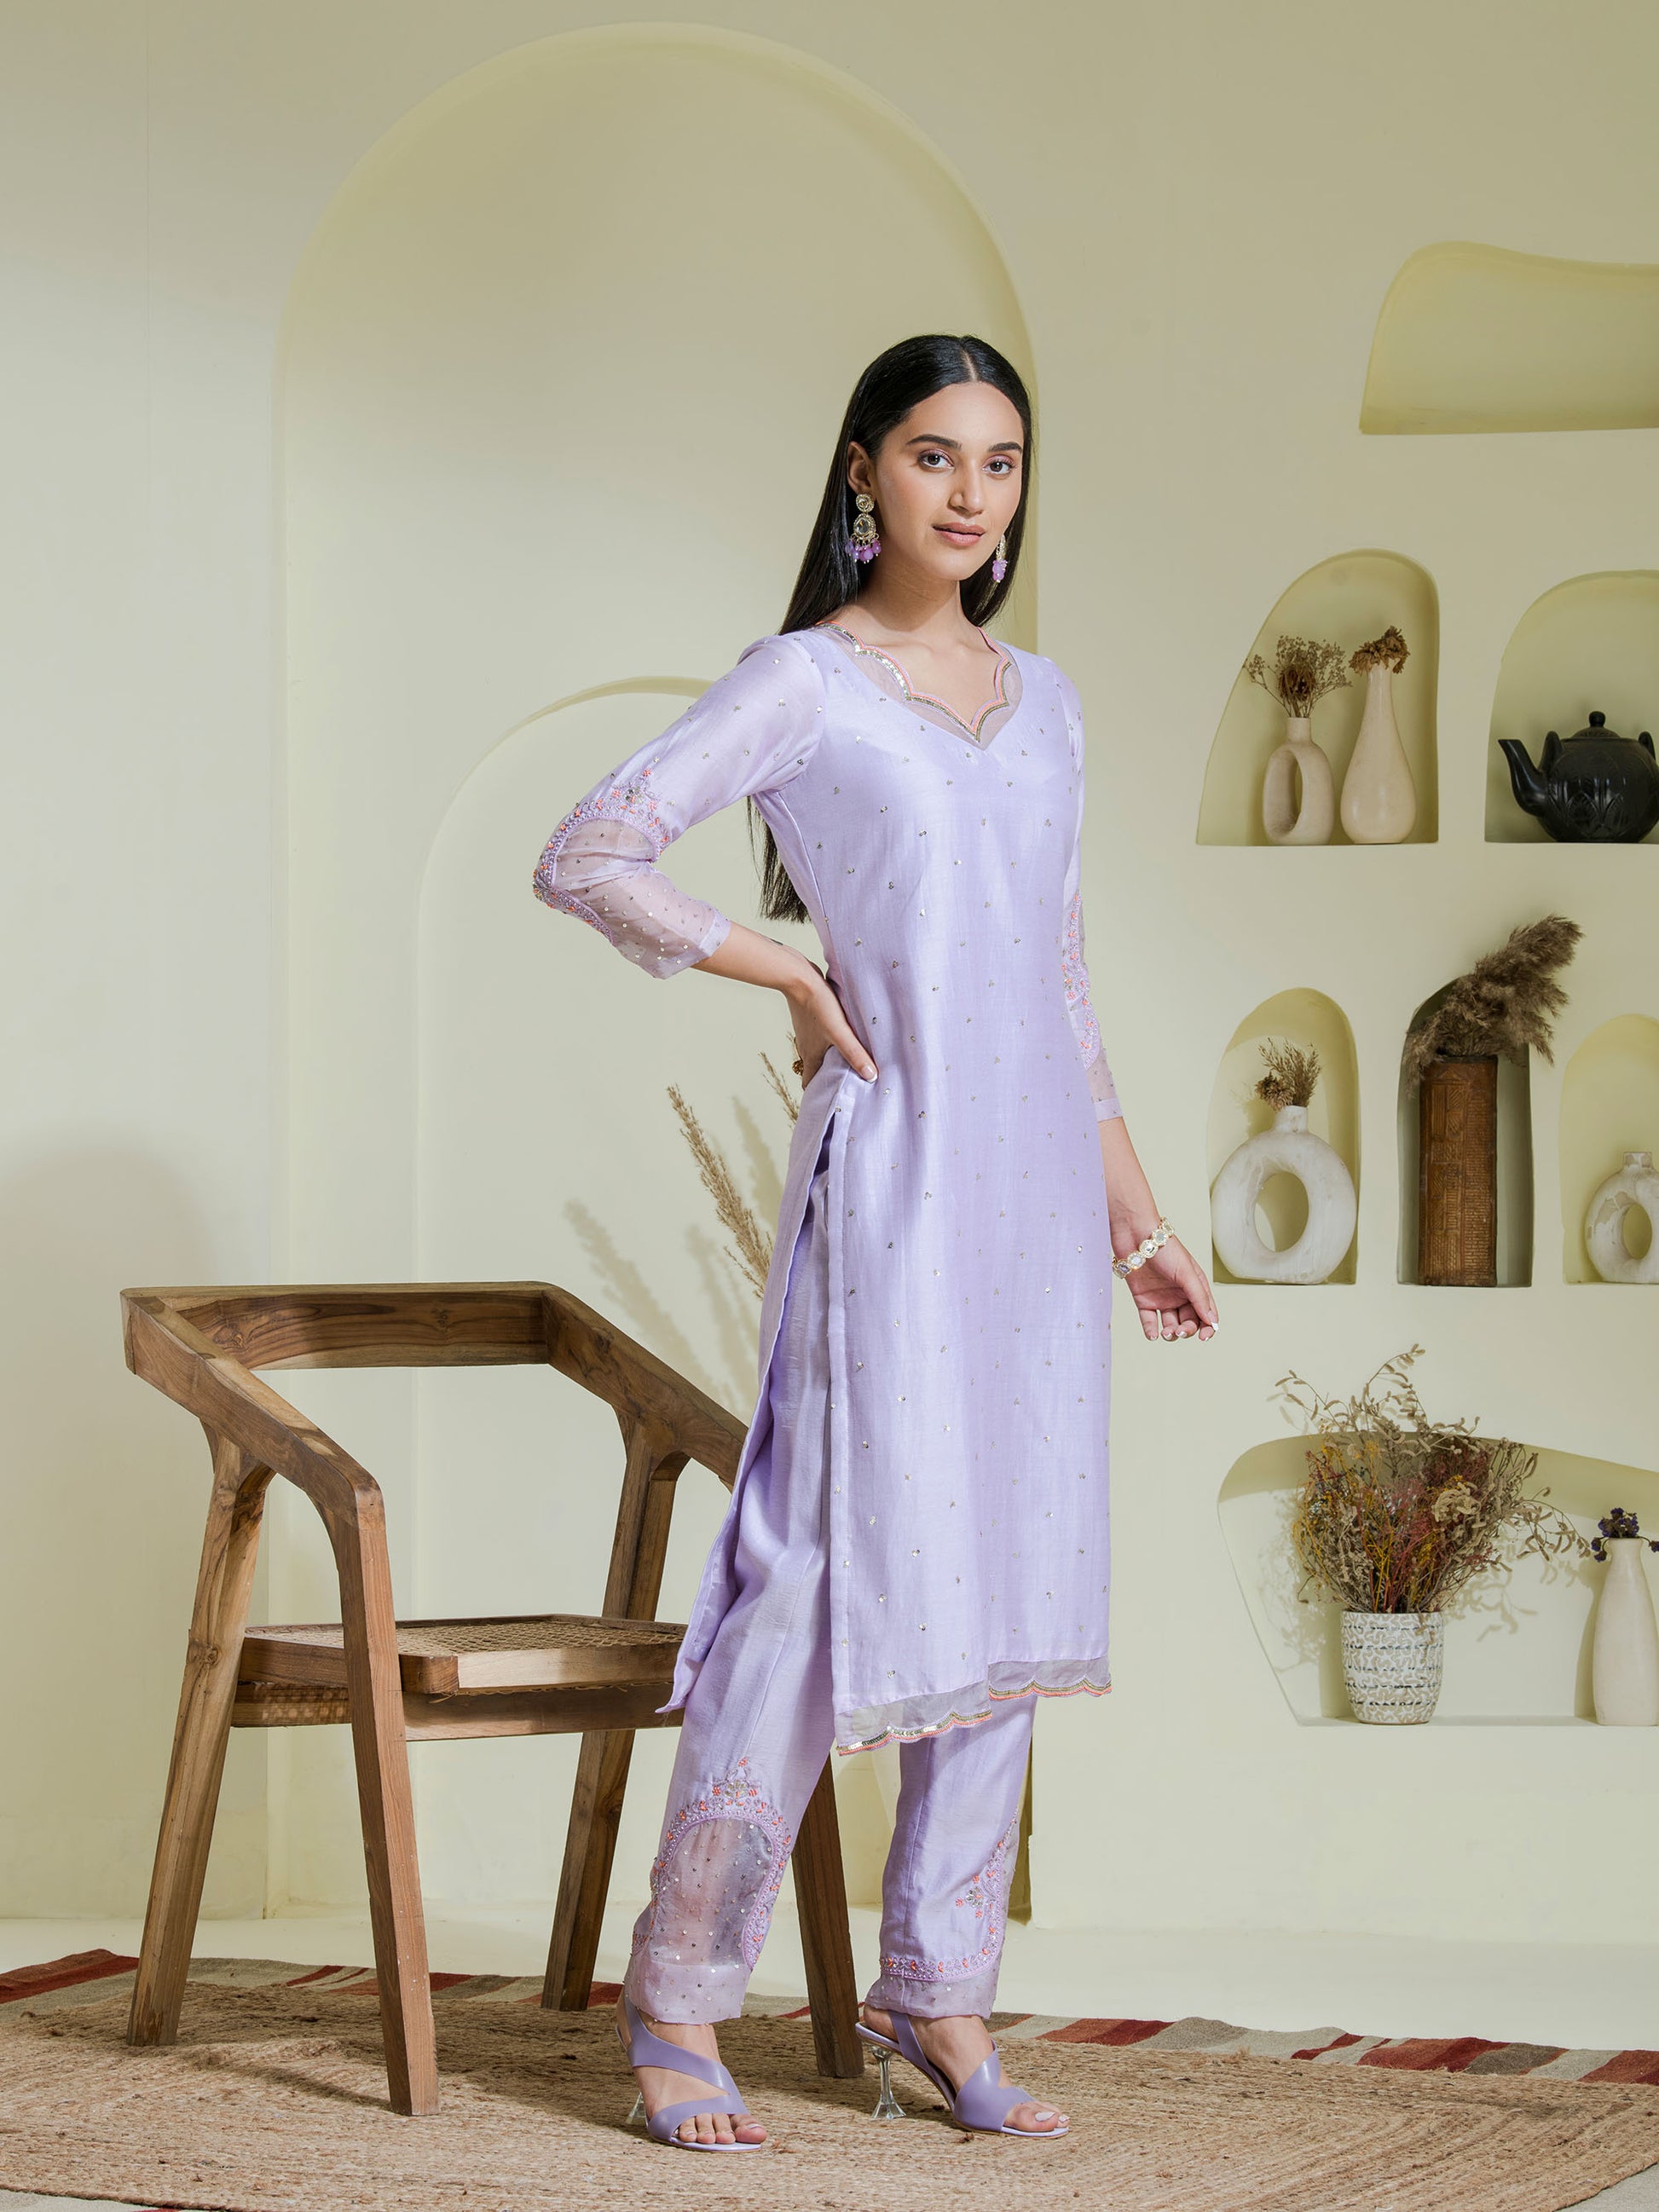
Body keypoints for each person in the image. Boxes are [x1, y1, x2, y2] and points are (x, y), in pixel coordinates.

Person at [532, 332, 1219, 2151]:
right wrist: (773, 962)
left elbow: (1057, 977)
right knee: (813, 1572)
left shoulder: (1046, 701)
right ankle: (680, 1995)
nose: (971, 494)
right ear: (862, 472)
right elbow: (589, 850)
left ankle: (938, 1992)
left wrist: (1133, 1212)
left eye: (1001, 462)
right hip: (896, 1180)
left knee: (1008, 1574)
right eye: (933, 456)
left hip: (1034, 1202)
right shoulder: (806, 683)